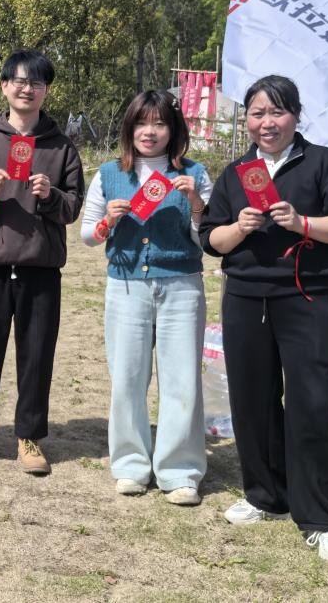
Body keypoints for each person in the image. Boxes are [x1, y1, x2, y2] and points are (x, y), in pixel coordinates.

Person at [200, 74, 328, 563]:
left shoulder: (322, 162)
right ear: (247, 120)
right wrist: (238, 228)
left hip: (307, 297)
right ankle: (265, 495)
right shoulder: (237, 172)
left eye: (277, 112)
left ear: (296, 116)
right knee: (252, 401)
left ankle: (322, 518)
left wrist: (302, 223)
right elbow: (210, 240)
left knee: (312, 402)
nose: (267, 122)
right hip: (245, 299)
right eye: (257, 113)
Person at [0, 49, 84, 475]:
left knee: (37, 355)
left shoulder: (61, 147)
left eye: (36, 82)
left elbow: (73, 207)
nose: (27, 89)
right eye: (20, 81)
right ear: (5, 86)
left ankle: (29, 437)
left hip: (40, 268)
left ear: (46, 91)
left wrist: (52, 196)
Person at [80, 90, 210, 505]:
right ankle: (130, 464)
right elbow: (87, 235)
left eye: (159, 123)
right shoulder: (109, 174)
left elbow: (207, 241)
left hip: (181, 284)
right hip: (126, 286)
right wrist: (108, 221)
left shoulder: (194, 174)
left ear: (173, 130)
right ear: (129, 128)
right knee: (127, 377)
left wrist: (195, 203)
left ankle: (180, 470)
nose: (149, 132)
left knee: (182, 378)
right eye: (141, 122)